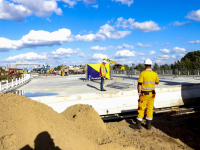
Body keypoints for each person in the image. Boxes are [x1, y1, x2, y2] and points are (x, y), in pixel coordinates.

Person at [134, 58, 159, 130]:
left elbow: (139, 84)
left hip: (144, 94)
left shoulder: (142, 73)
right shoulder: (154, 73)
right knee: (150, 109)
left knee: (141, 108)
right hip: (152, 94)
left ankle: (138, 125)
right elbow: (157, 82)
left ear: (145, 65)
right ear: (151, 65)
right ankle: (148, 126)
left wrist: (139, 93)